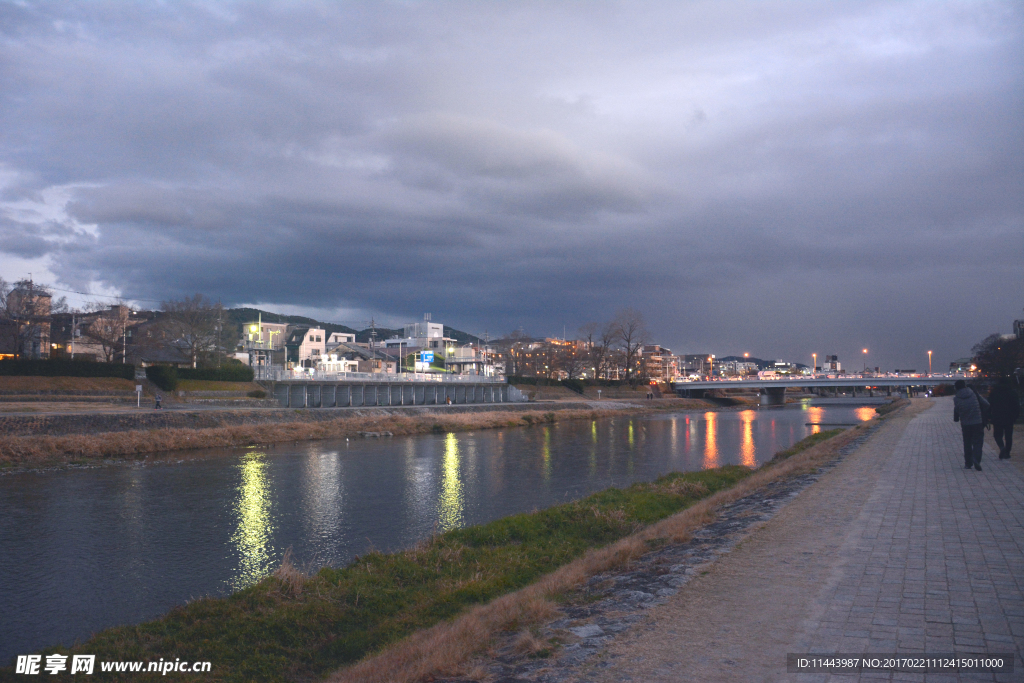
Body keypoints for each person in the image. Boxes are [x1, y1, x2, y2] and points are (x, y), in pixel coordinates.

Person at [953, 380, 989, 470]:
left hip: (965, 423)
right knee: (978, 442)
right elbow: (986, 404)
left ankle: (968, 463)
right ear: (965, 386)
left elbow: (957, 410)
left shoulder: (956, 398)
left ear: (956, 388)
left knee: (967, 443)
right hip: (977, 422)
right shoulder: (974, 394)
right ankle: (976, 459)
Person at [988, 377, 1021, 459]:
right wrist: (1015, 416)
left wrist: (989, 416)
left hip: (997, 416)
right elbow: (1017, 406)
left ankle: (1001, 447)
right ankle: (1007, 452)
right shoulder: (1013, 392)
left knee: (997, 435)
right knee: (1008, 436)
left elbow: (989, 405)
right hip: (1009, 417)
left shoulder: (994, 392)